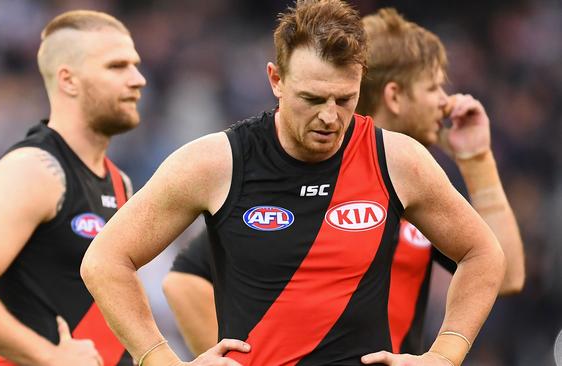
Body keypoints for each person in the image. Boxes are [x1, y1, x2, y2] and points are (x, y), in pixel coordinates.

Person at [81, 1, 505, 365]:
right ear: (276, 80)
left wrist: (445, 354)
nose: (329, 116)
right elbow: (105, 261)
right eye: (313, 99)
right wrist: (158, 357)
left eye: (345, 99)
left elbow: (483, 253)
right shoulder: (217, 162)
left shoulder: (396, 159)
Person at [0, 10, 146, 366]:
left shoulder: (120, 182)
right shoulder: (35, 169)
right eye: (117, 67)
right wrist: (48, 356)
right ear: (68, 80)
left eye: (136, 65)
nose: (138, 79)